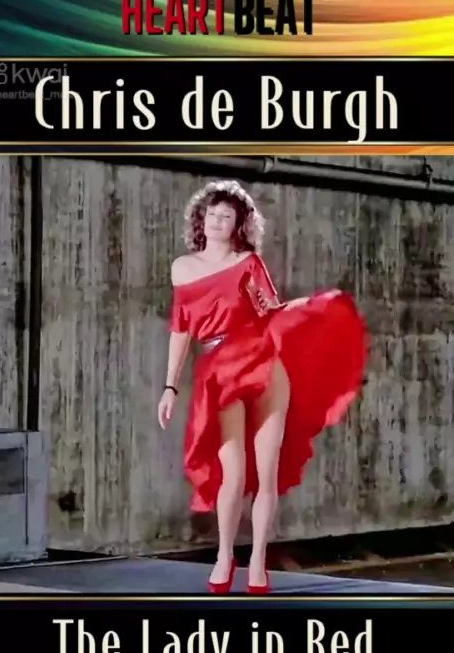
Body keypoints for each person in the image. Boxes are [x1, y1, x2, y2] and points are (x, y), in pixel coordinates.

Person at [157, 180, 368, 595]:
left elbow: (271, 316)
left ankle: (257, 560)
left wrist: (269, 305)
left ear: (239, 225)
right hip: (219, 369)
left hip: (263, 363)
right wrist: (170, 386)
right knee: (232, 475)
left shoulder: (249, 261)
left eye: (227, 216)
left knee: (266, 472)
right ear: (201, 219)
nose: (218, 221)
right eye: (212, 214)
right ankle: (224, 556)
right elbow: (181, 328)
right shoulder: (182, 267)